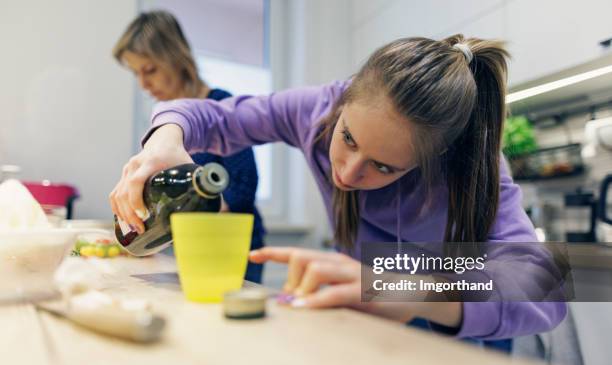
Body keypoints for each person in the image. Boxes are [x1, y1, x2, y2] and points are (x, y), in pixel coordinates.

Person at [109, 35, 567, 343]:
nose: (346, 173)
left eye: (384, 167)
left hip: (462, 349)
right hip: (369, 337)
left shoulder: (473, 169)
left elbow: (543, 287)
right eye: (346, 138)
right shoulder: (316, 109)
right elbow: (212, 116)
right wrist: (165, 139)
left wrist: (406, 290)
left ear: (432, 161)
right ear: (343, 103)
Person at [112, 10, 266, 283]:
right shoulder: (162, 128)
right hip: (191, 248)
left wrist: (181, 213)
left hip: (234, 248)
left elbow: (242, 189)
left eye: (150, 70)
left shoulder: (220, 108)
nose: (143, 83)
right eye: (136, 73)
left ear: (176, 58)